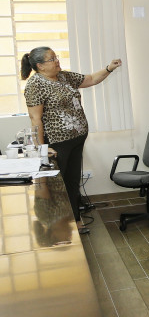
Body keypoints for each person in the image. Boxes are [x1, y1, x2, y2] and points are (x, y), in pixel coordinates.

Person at [22, 46, 122, 233]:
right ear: (40, 66)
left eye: (56, 57)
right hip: (57, 143)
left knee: (72, 182)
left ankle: (76, 220)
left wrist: (109, 68)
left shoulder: (63, 76)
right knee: (57, 186)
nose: (57, 61)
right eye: (52, 59)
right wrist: (41, 148)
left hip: (77, 139)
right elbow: (35, 119)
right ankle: (60, 225)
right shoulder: (35, 85)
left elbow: (91, 79)